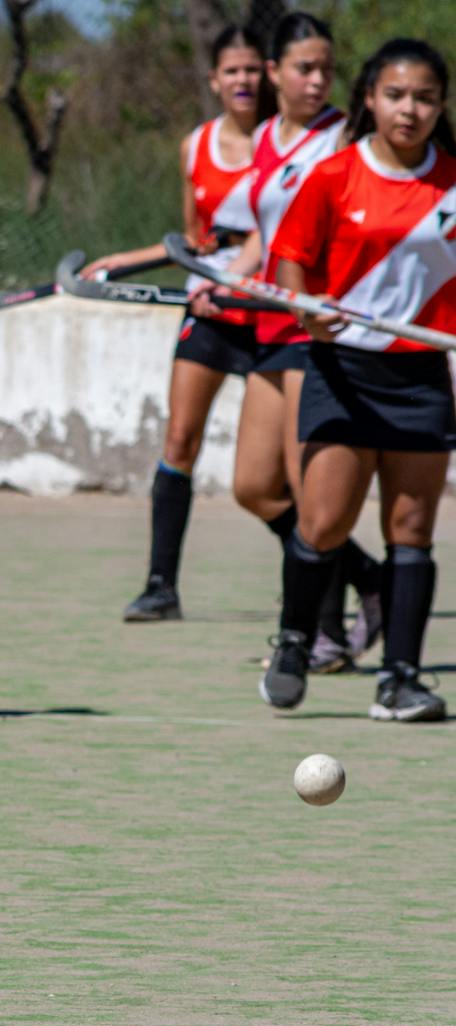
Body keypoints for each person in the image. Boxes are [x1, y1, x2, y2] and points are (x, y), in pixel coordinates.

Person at [258, 39, 456, 721]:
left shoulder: (452, 183)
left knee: (412, 527)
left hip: (421, 374)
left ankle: (400, 678)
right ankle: (294, 639)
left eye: (426, 98)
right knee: (323, 521)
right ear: (370, 98)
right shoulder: (334, 176)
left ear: (441, 106)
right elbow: (291, 260)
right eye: (396, 95)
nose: (410, 110)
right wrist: (304, 308)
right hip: (343, 367)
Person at [196, 12, 381, 672]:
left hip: (320, 330)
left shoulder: (346, 138)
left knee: (311, 493)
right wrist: (223, 280)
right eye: (305, 68)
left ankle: (319, 635)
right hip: (271, 327)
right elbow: (264, 232)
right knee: (253, 486)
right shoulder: (267, 137)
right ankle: (370, 578)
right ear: (275, 72)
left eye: (327, 68)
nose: (318, 80)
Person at [80, 27, 265, 623]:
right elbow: (195, 240)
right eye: (231, 71)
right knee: (180, 440)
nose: (243, 81)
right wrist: (124, 261)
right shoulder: (197, 146)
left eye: (252, 69)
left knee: (274, 471)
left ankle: (333, 582)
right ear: (214, 79)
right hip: (207, 311)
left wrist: (237, 280)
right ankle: (162, 587)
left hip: (269, 315)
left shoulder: (286, 142)